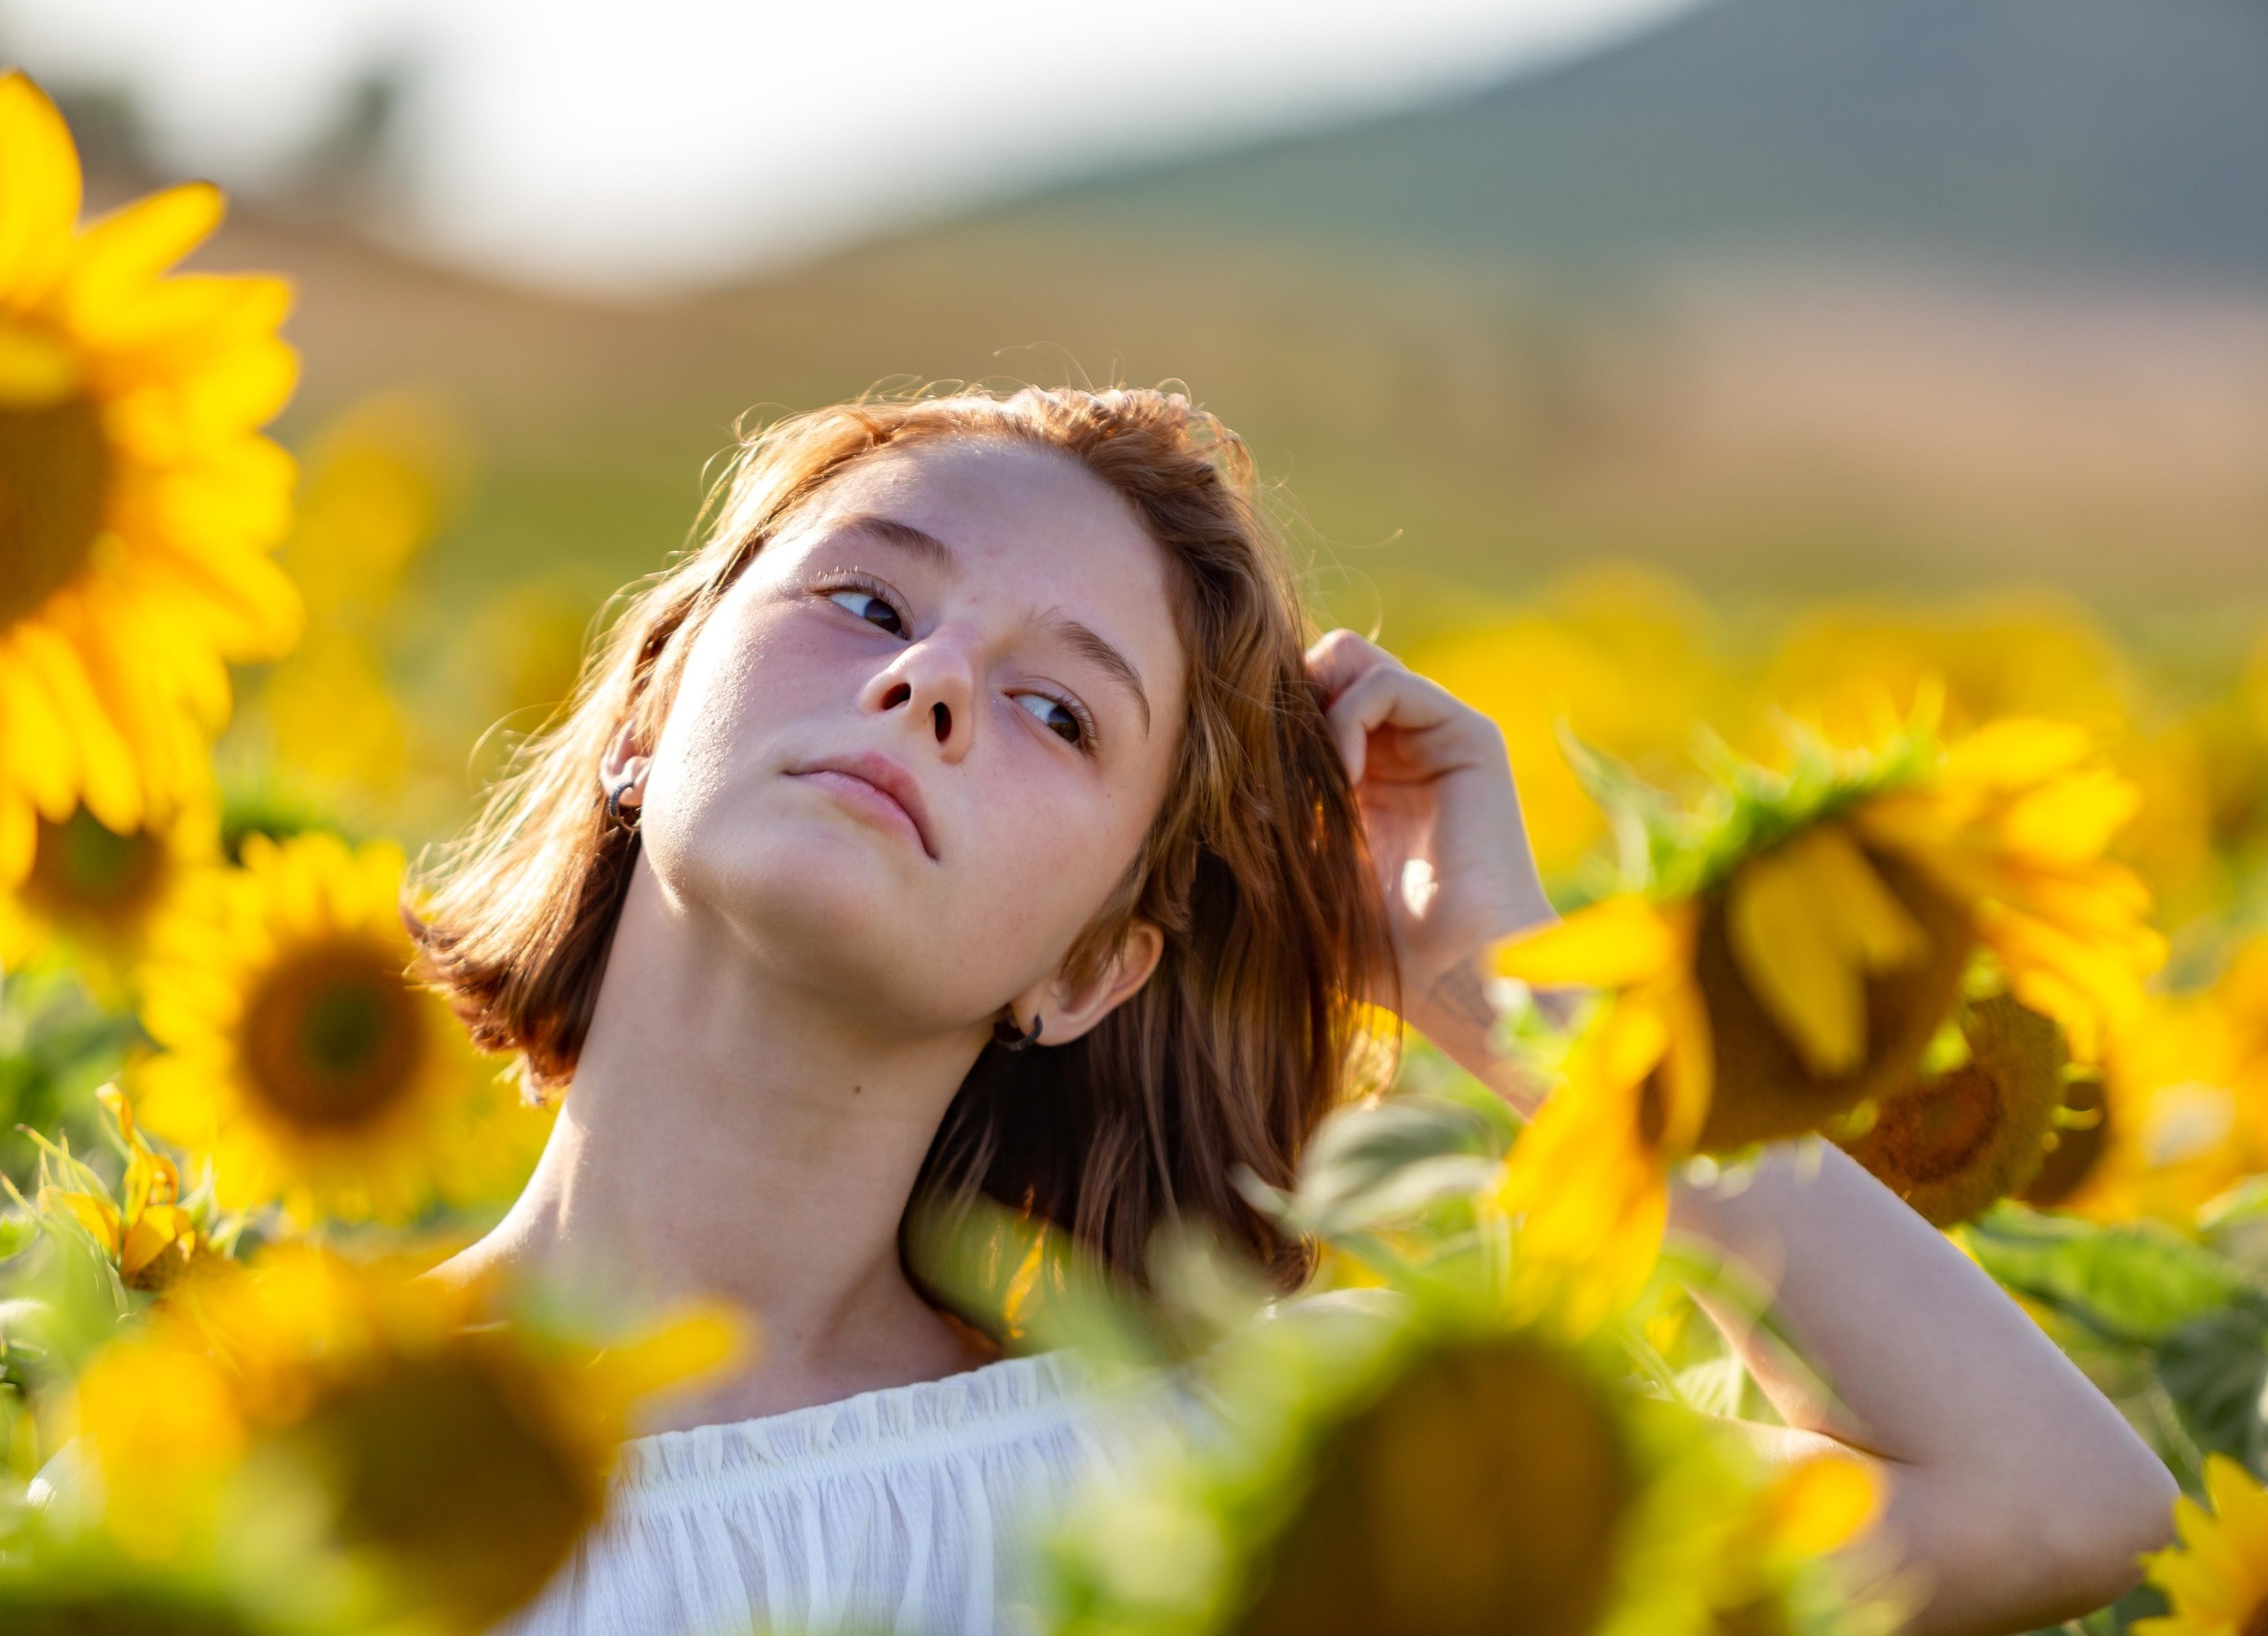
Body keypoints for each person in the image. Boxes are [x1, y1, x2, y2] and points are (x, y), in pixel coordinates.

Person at [415, 385, 2175, 1636]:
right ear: (649, 707)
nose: (933, 680)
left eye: (1060, 713)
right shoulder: (220, 1449)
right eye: (869, 598)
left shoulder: (1241, 1476)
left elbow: (2042, 1502)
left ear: (1094, 966)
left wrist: (1510, 997)